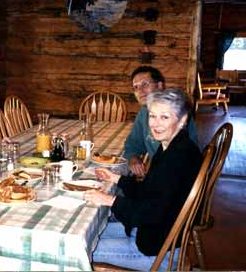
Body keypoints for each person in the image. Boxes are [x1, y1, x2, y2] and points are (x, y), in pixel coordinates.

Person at [84, 88, 203, 271]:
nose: (156, 124)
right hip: (150, 233)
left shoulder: (178, 158)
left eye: (164, 117)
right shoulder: (170, 147)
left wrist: (109, 200)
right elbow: (150, 191)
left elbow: (153, 212)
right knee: (82, 236)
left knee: (78, 249)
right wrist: (117, 178)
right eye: (152, 116)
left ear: (182, 120)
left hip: (156, 252)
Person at [124, 66, 199, 178]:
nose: (140, 91)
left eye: (145, 84)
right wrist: (133, 158)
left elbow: (180, 165)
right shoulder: (144, 112)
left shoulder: (176, 113)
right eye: (136, 87)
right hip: (158, 171)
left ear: (160, 85)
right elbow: (133, 142)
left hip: (174, 177)